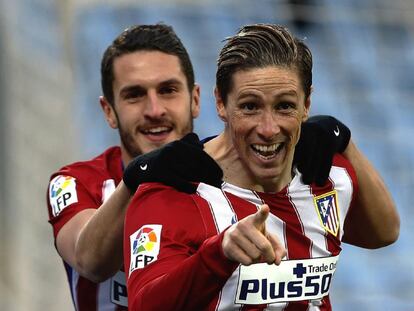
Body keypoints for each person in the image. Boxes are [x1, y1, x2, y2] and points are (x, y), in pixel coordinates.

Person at [123, 24, 399, 310]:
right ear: (220, 103)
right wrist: (219, 254)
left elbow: (385, 233)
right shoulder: (173, 192)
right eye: (250, 107)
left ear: (307, 104)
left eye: (285, 106)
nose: (268, 129)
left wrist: (346, 141)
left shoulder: (329, 176)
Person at [46, 24, 201, 310]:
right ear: (109, 111)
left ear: (194, 99)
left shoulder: (233, 177)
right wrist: (140, 177)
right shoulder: (75, 182)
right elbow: (91, 262)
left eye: (168, 90)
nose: (154, 110)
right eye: (134, 95)